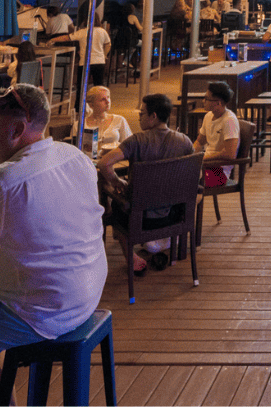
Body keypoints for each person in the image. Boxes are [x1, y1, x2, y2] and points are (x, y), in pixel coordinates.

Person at [0, 83, 108, 348]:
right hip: (88, 294)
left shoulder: (7, 182)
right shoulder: (76, 156)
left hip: (40, 315)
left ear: (16, 130)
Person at [98, 92, 194, 273]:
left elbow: (104, 163)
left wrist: (116, 181)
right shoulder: (185, 142)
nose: (139, 117)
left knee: (115, 204)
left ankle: (131, 257)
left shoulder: (137, 141)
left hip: (139, 219)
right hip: (172, 215)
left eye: (142, 113)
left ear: (153, 116)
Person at [193, 81, 240, 187]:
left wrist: (203, 157)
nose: (203, 101)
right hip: (205, 165)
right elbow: (199, 142)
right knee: (177, 173)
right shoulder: (208, 116)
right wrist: (191, 155)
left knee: (183, 180)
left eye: (207, 99)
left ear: (218, 103)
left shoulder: (229, 120)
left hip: (219, 172)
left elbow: (230, 154)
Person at [83, 85, 132, 152]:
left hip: (115, 157)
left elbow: (130, 145)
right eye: (102, 99)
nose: (107, 101)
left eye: (108, 97)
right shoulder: (81, 124)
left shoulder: (119, 120)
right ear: (91, 104)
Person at [72, 19, 110, 88]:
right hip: (99, 61)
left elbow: (68, 37)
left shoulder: (82, 32)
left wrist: (53, 39)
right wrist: (105, 55)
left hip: (84, 62)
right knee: (99, 85)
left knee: (81, 86)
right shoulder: (102, 31)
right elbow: (108, 44)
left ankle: (81, 95)